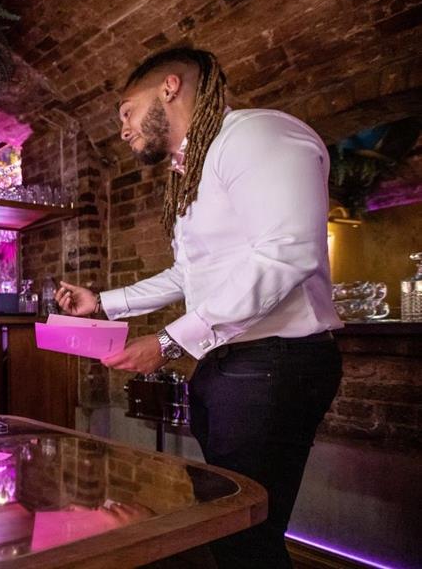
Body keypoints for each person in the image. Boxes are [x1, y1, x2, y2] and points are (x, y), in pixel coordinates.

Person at [55, 48, 343, 568]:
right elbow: (189, 276)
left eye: (126, 111)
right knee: (232, 524)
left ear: (169, 87)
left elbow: (286, 253)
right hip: (232, 365)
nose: (122, 130)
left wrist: (168, 341)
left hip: (274, 364)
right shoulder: (196, 166)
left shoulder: (258, 136)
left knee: (245, 531)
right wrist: (102, 303)